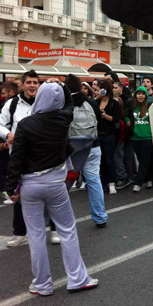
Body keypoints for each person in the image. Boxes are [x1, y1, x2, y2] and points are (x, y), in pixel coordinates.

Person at [5, 81, 98, 295]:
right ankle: (77, 279)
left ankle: (42, 284)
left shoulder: (26, 124)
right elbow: (70, 101)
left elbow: (16, 159)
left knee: (36, 235)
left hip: (30, 185)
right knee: (67, 230)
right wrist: (61, 86)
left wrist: (11, 188)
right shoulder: (63, 119)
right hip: (56, 183)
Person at [0, 70, 40, 247]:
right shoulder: (12, 104)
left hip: (42, 157)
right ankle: (19, 233)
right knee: (18, 194)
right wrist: (7, 134)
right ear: (22, 85)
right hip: (18, 157)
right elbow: (0, 123)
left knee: (49, 194)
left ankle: (55, 229)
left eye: (35, 82)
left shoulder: (45, 102)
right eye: (29, 82)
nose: (32, 85)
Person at [65, 74, 108, 228]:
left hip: (71, 149)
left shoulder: (64, 104)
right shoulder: (92, 103)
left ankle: (59, 221)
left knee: (64, 185)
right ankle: (100, 217)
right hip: (92, 145)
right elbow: (99, 124)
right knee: (94, 181)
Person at [96, 80, 121, 195]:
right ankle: (102, 182)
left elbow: (116, 119)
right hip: (98, 134)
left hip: (109, 135)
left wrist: (105, 116)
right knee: (99, 160)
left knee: (109, 159)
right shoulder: (96, 102)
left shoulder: (114, 103)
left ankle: (112, 182)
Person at [129, 86, 153, 193]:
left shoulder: (150, 107)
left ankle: (138, 183)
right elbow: (126, 116)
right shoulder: (132, 108)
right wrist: (127, 121)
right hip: (135, 138)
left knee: (143, 161)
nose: (141, 95)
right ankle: (148, 179)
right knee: (142, 160)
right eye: (139, 93)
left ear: (146, 96)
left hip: (147, 138)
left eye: (143, 94)